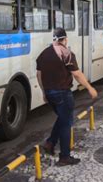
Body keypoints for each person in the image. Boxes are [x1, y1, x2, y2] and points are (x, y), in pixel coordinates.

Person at [36, 27, 98, 166]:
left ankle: (50, 143)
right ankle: (64, 156)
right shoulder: (66, 53)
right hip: (63, 93)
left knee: (62, 118)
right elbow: (76, 74)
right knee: (66, 123)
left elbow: (39, 75)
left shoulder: (43, 54)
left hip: (50, 93)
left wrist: (44, 92)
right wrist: (89, 87)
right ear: (64, 39)